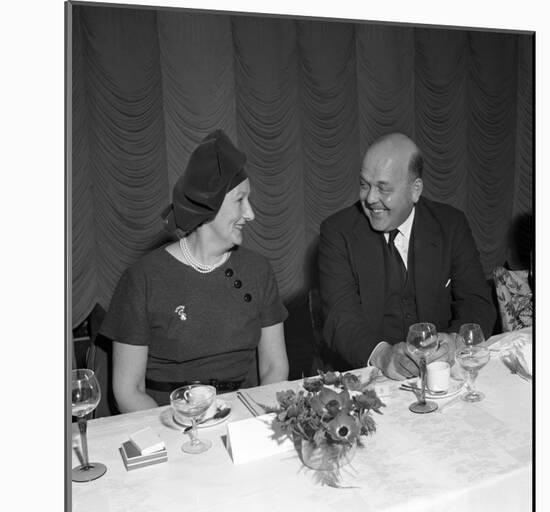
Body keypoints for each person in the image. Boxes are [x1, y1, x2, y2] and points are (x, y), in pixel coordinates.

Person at [100, 129, 289, 412]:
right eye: (240, 200)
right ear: (208, 205)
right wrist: (173, 435)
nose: (250, 214)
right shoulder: (142, 279)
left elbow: (275, 366)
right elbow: (129, 390)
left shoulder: (258, 270)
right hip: (168, 418)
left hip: (243, 412)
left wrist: (255, 418)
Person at [318, 133, 496, 380]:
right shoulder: (337, 232)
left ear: (415, 190)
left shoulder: (451, 225)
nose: (369, 198)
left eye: (383, 188)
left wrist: (455, 341)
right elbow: (340, 317)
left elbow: (477, 301)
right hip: (371, 376)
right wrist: (383, 355)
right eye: (364, 184)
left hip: (442, 374)